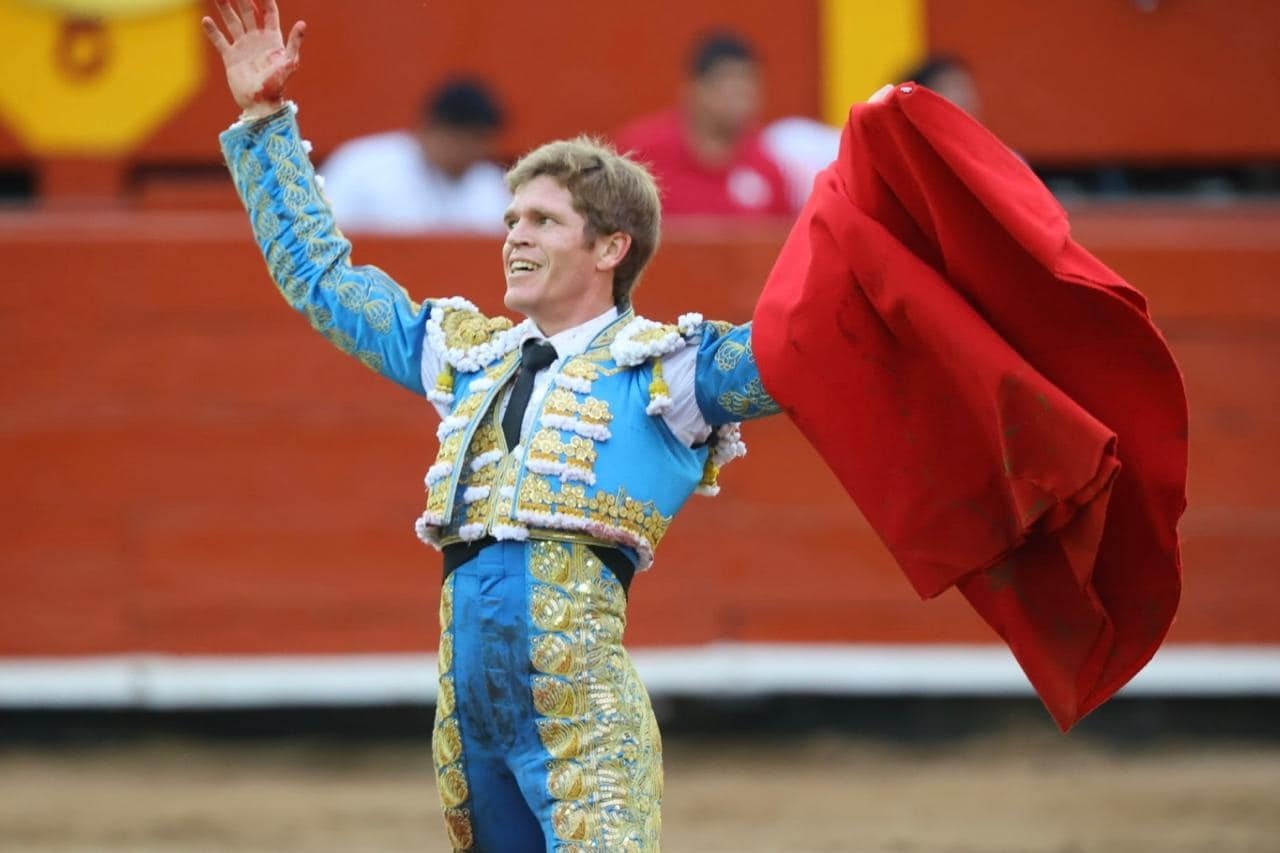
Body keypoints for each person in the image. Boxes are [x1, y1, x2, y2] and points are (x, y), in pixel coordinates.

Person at [202, 2, 779, 849]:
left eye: (542, 221)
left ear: (612, 248)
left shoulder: (671, 370)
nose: (514, 235)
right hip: (468, 720)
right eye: (511, 218)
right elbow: (324, 281)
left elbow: (797, 347)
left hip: (585, 720)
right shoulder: (466, 354)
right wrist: (263, 121)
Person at [615, 30, 792, 219]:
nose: (739, 98)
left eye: (747, 86)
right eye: (728, 84)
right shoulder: (641, 154)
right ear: (694, 88)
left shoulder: (766, 166)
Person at [317, 77, 510, 233]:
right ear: (430, 128)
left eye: (479, 139)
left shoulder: (489, 184)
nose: (469, 150)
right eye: (461, 138)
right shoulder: (361, 167)